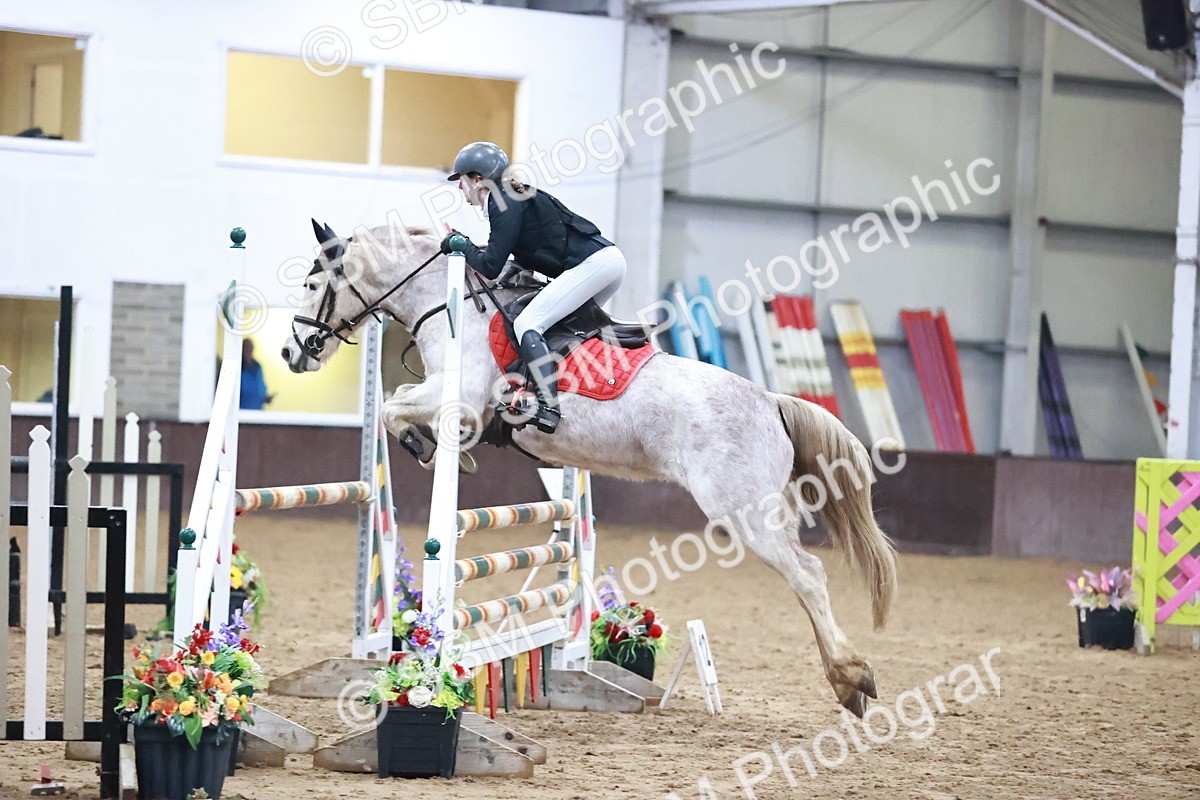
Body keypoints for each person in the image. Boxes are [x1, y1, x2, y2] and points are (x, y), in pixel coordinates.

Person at [441, 141, 627, 434]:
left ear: (477, 179)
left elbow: (489, 264)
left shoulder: (503, 200)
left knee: (529, 322)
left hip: (595, 264)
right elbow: (518, 255)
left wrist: (461, 245)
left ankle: (548, 405)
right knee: (558, 328)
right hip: (603, 263)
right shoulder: (510, 197)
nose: (460, 190)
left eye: (462, 181)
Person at [240, 339, 272, 410]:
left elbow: (261, 387)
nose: (248, 350)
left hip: (257, 412)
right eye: (246, 348)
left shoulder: (257, 367)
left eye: (250, 348)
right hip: (241, 411)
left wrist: (265, 398)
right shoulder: (238, 368)